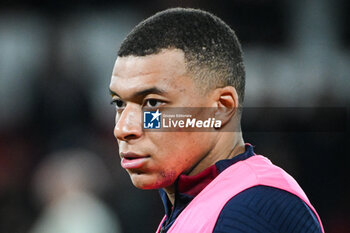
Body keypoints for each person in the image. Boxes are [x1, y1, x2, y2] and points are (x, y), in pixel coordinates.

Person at [109, 8, 324, 233]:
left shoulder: (252, 210)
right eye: (119, 103)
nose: (123, 128)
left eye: (153, 103)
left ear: (221, 108)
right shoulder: (197, 206)